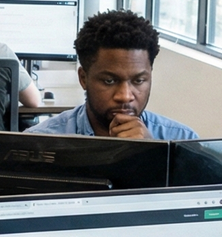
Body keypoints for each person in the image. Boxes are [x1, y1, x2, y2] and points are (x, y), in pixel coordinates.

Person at [27, 9, 196, 140]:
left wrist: (152, 153)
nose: (125, 96)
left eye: (138, 81)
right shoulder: (39, 143)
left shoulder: (182, 141)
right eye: (109, 81)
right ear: (83, 78)